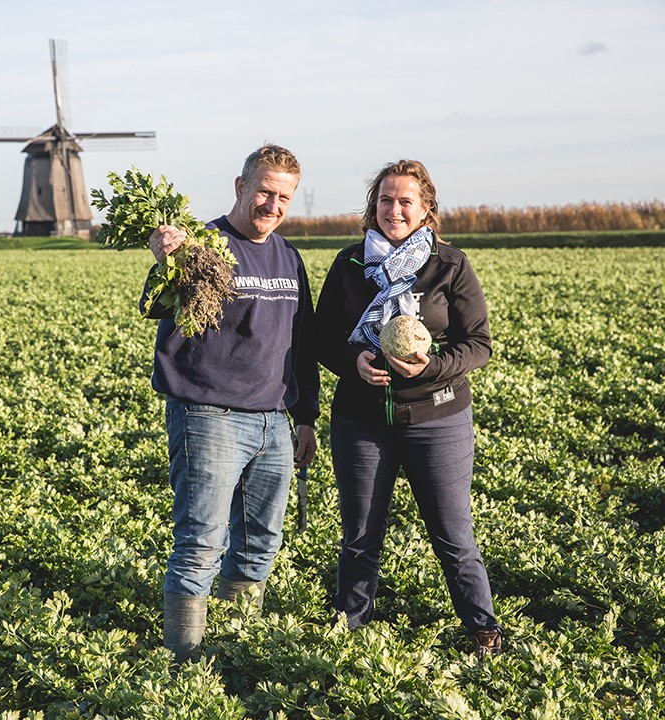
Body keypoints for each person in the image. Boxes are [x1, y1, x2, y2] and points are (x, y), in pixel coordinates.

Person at [314, 159, 503, 656]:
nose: (393, 209)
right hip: (360, 420)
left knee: (452, 533)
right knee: (359, 534)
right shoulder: (349, 264)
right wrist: (353, 361)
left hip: (438, 418)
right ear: (372, 207)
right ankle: (349, 630)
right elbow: (323, 338)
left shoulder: (449, 264)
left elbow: (478, 344)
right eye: (384, 200)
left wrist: (432, 367)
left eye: (404, 201)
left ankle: (484, 629)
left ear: (425, 211)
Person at [142, 144, 320, 662]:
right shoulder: (203, 246)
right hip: (209, 416)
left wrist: (305, 418)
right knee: (200, 543)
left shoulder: (288, 256)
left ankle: (239, 650)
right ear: (241, 187)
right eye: (265, 191)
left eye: (284, 196)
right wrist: (167, 260)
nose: (273, 204)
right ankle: (185, 665)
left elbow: (301, 343)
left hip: (273, 421)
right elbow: (155, 305)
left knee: (260, 544)